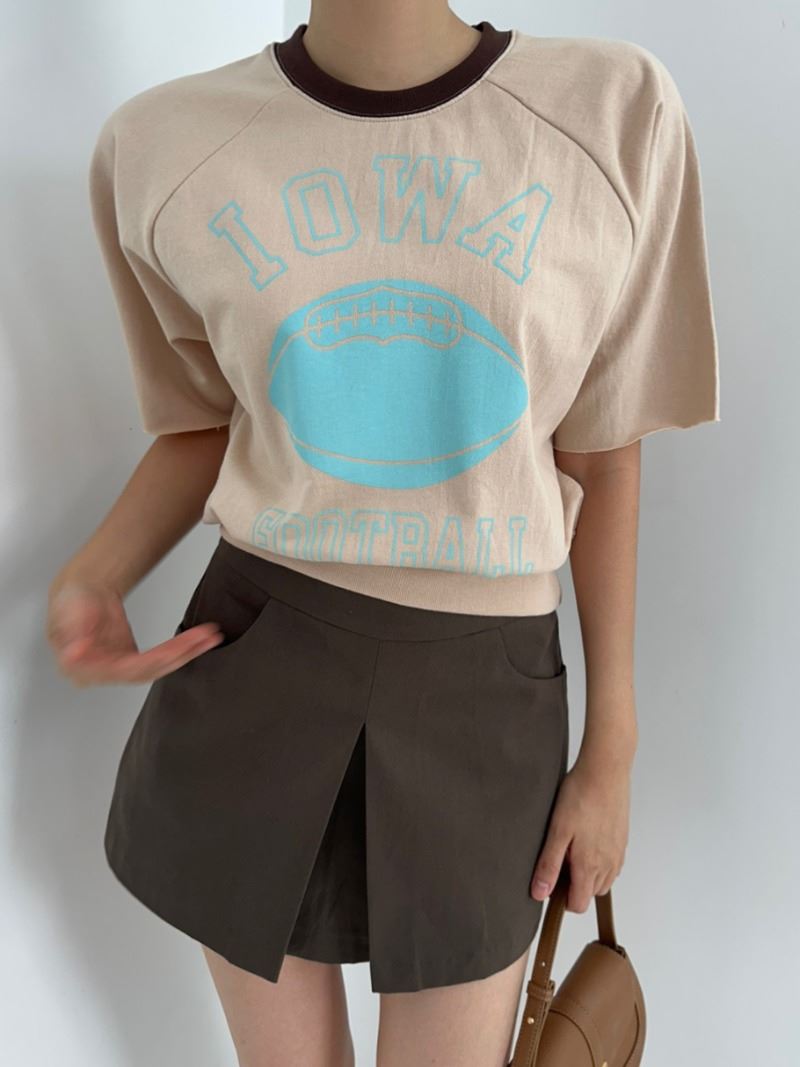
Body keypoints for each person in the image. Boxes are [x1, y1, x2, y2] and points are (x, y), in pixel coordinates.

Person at [46, 2, 720, 1065]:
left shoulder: (610, 112)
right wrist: (97, 571)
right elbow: (208, 421)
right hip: (254, 659)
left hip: (481, 692)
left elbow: (600, 449)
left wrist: (612, 746)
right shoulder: (163, 145)